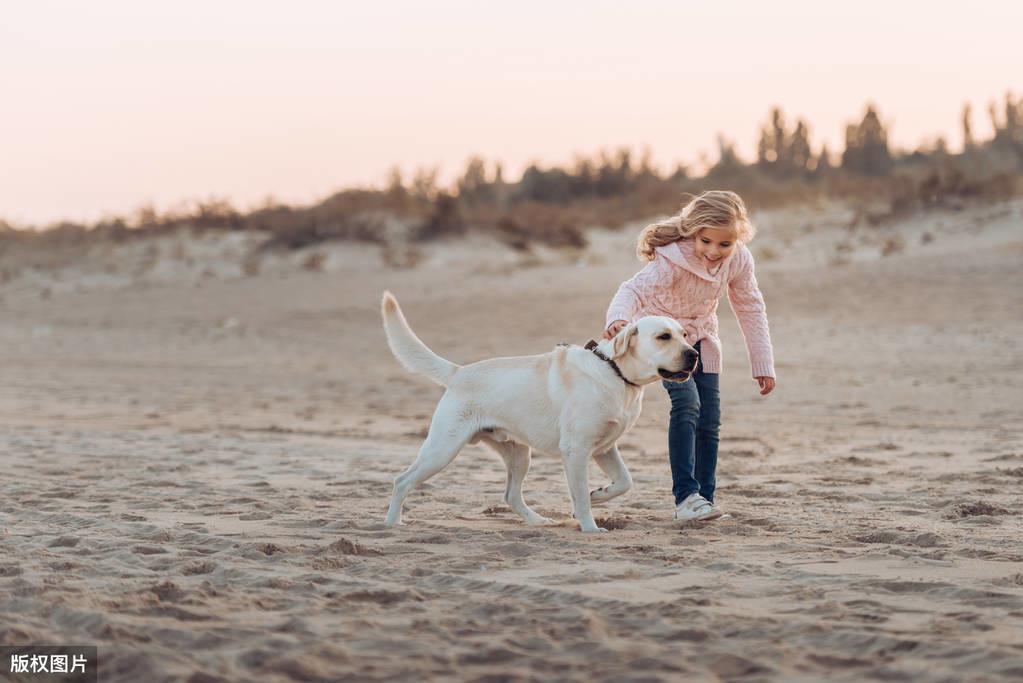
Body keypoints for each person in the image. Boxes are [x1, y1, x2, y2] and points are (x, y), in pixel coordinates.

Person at [603, 190, 775, 522]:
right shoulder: (672, 258)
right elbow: (633, 290)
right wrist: (618, 320)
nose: (714, 251)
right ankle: (685, 498)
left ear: (736, 240)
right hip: (665, 345)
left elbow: (751, 307)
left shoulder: (739, 259)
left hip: (702, 340)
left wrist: (762, 363)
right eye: (706, 241)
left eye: (724, 244)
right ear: (693, 231)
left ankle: (703, 501)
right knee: (687, 405)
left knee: (709, 420)